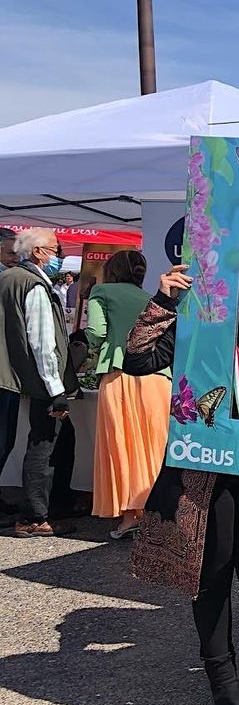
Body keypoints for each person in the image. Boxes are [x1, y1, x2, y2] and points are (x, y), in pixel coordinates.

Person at [124, 230, 239, 705]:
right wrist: (163, 300)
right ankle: (223, 679)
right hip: (205, 475)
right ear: (232, 279)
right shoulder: (197, 330)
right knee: (212, 576)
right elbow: (137, 357)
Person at [85, 250, 169, 539]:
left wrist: (96, 347)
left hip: (119, 372)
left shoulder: (102, 292)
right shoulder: (151, 298)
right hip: (158, 377)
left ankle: (130, 516)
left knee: (122, 444)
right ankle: (156, 513)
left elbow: (96, 332)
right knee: (155, 446)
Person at [0, 228, 77, 538]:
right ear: (37, 252)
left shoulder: (9, 278)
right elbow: (42, 343)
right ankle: (34, 515)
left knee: (47, 441)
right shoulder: (33, 285)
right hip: (40, 380)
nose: (59, 256)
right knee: (43, 445)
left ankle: (43, 509)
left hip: (17, 375)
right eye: (55, 250)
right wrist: (56, 389)